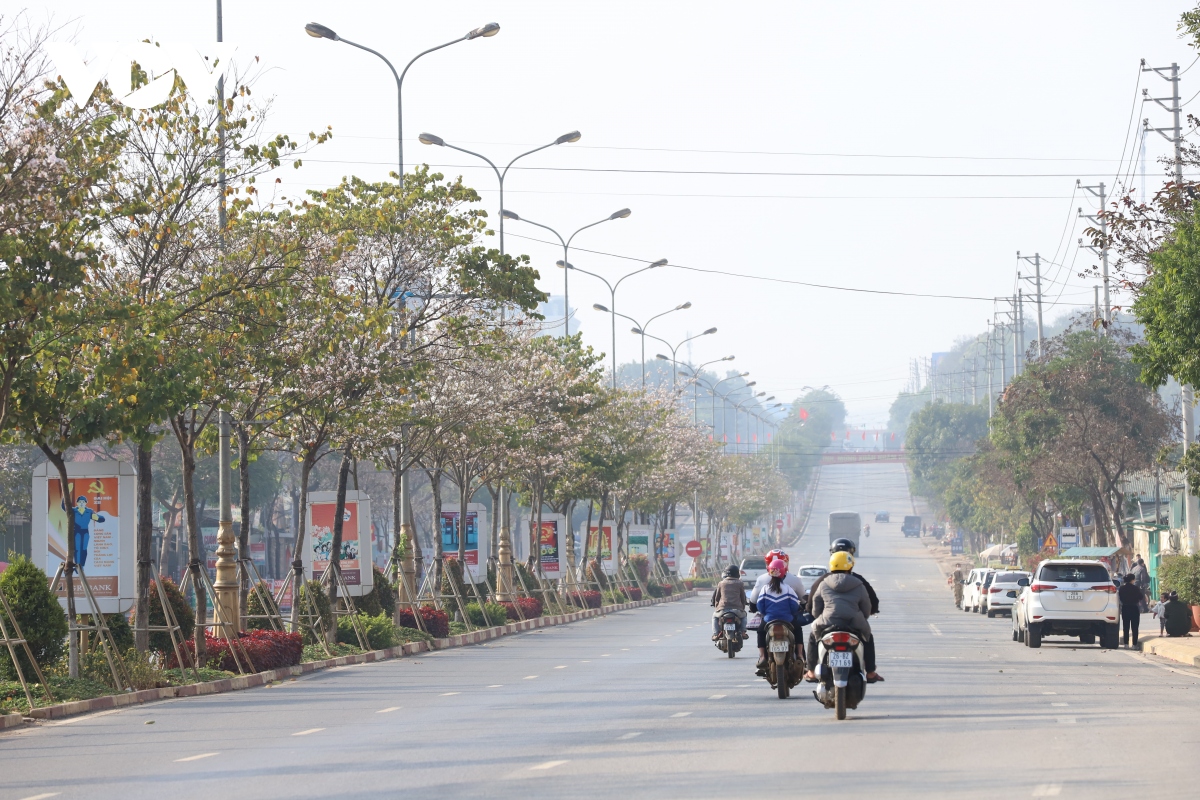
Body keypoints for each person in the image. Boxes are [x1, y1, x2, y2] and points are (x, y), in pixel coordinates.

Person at [806, 539, 883, 682]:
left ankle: (810, 671)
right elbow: (867, 606)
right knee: (868, 637)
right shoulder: (859, 583)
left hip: (827, 621)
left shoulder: (822, 582)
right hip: (854, 622)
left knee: (813, 636)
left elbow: (814, 607)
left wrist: (819, 617)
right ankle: (871, 672)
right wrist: (862, 617)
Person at [754, 559, 800, 671]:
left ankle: (763, 656)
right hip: (787, 620)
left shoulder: (765, 589)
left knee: (760, 632)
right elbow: (795, 606)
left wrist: (766, 613)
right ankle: (800, 655)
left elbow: (760, 606)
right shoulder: (789, 589)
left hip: (769, 620)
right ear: (784, 572)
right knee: (798, 630)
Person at [710, 565, 748, 641]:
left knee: (715, 617)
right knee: (744, 616)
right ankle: (743, 632)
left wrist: (717, 607)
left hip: (723, 609)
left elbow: (717, 597)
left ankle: (716, 634)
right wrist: (742, 607)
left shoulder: (721, 583)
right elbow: (742, 597)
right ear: (737, 573)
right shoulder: (740, 583)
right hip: (737, 610)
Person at [1117, 573, 1145, 647]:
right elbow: (1141, 597)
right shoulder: (1135, 588)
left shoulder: (1121, 588)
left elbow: (1119, 597)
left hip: (1125, 608)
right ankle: (1134, 644)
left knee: (1126, 626)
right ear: (1132, 580)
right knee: (1135, 627)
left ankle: (1126, 643)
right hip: (1134, 608)